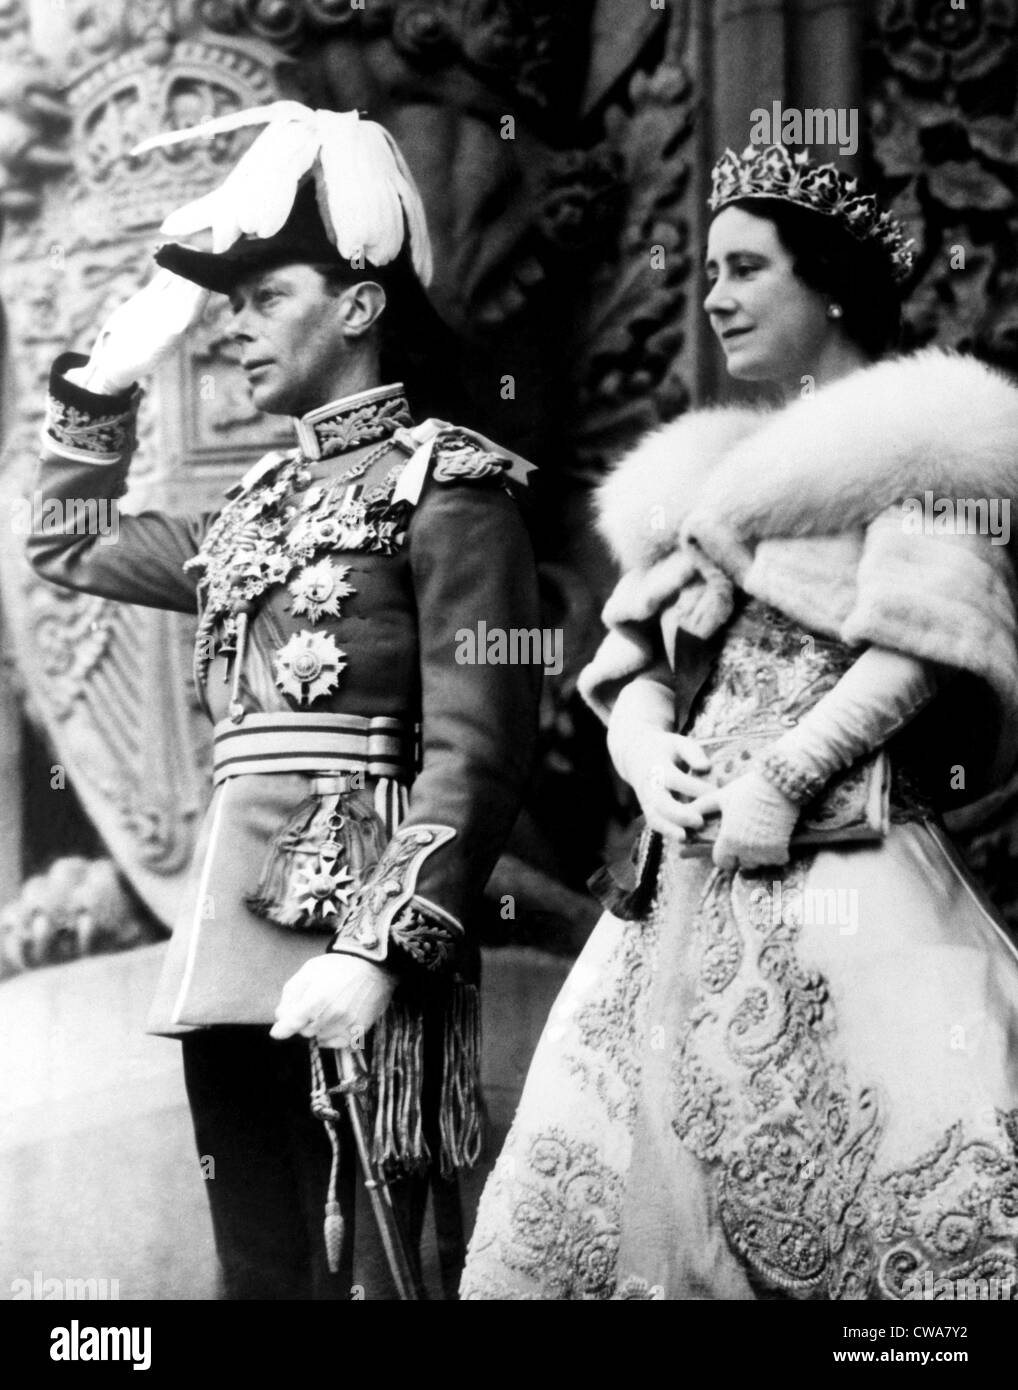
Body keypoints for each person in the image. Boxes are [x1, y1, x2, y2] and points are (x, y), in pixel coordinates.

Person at [460, 143, 1018, 1300]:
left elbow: (921, 644)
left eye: (745, 267)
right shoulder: (712, 470)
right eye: (707, 267)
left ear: (830, 287)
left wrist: (786, 772)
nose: (713, 294)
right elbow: (638, 659)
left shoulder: (923, 434)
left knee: (897, 1182)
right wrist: (640, 739)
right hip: (679, 881)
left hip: (844, 864)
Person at [28, 103, 541, 1300]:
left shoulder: (449, 489)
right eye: (231, 302)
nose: (233, 330)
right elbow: (67, 546)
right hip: (226, 939)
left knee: (367, 1272)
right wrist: (105, 375)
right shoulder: (253, 509)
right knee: (258, 1270)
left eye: (266, 297)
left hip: (357, 925)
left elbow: (478, 750)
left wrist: (376, 949)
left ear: (358, 305)